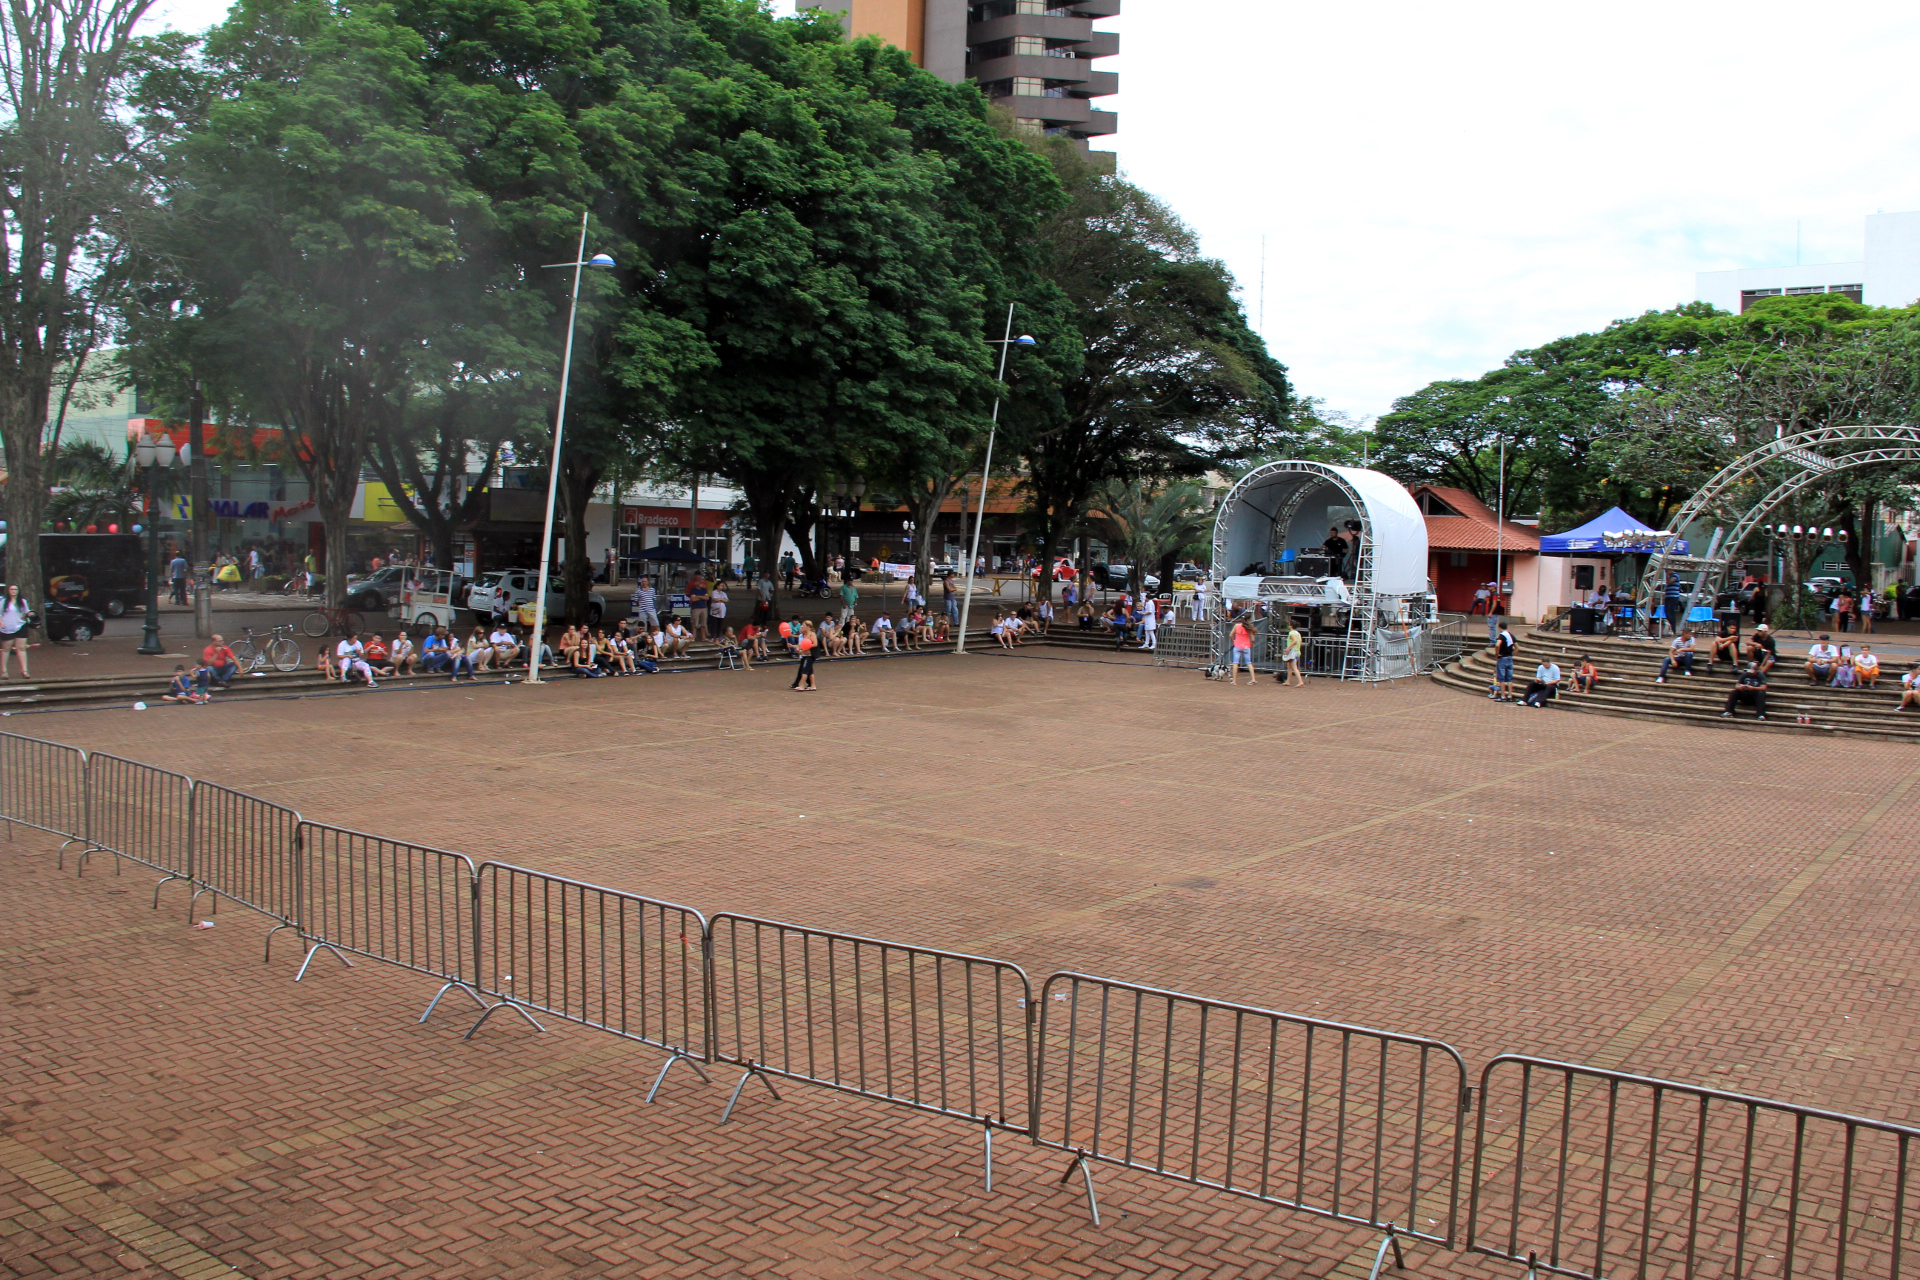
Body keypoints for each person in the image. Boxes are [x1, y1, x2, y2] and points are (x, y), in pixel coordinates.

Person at [0, 582, 33, 679]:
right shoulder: (3, 602)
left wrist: (30, 614)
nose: (13, 591)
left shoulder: (23, 602)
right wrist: (1, 623)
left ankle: (24, 671)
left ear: (18, 591)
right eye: (11, 589)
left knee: (21, 648)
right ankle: (4, 671)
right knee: (6, 649)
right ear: (8, 591)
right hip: (7, 627)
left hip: (20, 626)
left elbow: (27, 612)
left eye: (15, 589)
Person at [1491, 622, 1517, 702]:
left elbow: (1497, 645)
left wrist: (1497, 653)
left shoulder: (1502, 635)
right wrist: (1512, 654)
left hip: (1502, 658)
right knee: (1509, 678)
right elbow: (1518, 647)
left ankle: (1503, 696)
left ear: (1500, 628)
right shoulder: (1511, 635)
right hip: (1509, 658)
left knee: (1501, 678)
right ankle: (1510, 695)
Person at [1227, 614, 1256, 686]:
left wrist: (1233, 640)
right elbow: (1253, 639)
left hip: (1237, 645)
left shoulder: (1237, 626)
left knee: (1235, 662)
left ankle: (1234, 680)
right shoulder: (1249, 628)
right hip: (1246, 646)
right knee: (1249, 663)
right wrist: (1251, 644)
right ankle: (1253, 679)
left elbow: (1231, 635)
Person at [790, 620, 818, 691]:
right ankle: (813, 685)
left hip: (810, 655)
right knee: (810, 670)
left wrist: (807, 646)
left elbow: (815, 644)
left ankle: (802, 686)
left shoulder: (812, 634)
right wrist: (794, 647)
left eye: (803, 625)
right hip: (805, 654)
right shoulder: (803, 635)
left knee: (804, 670)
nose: (802, 626)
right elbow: (801, 645)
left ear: (808, 626)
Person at [1279, 619, 1305, 687]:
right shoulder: (1297, 633)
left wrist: (1288, 647)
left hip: (1293, 652)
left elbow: (1295, 640)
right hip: (1296, 651)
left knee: (1294, 667)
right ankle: (1288, 681)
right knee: (1289, 667)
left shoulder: (1292, 633)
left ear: (1290, 626)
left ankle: (1300, 681)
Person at [688, 574, 711, 641]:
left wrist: (698, 596)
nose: (702, 584)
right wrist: (702, 597)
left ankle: (703, 637)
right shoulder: (693, 590)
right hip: (696, 608)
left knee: (703, 624)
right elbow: (693, 599)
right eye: (701, 583)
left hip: (703, 607)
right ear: (697, 583)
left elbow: (707, 598)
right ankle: (694, 637)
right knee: (695, 624)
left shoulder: (704, 590)